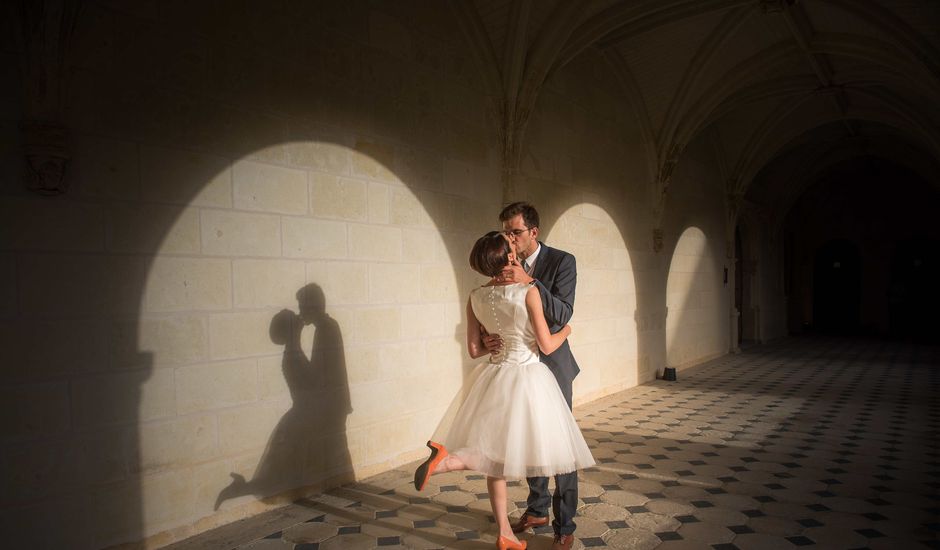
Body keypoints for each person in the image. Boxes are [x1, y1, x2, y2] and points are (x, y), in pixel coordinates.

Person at [413, 232, 594, 550]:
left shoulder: (475, 296)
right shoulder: (527, 291)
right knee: (548, 449)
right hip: (528, 377)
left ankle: (505, 533)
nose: (515, 249)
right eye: (511, 248)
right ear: (508, 258)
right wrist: (567, 329)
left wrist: (488, 343)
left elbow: (473, 349)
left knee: (494, 458)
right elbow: (547, 345)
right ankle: (449, 462)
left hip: (494, 376)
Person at [490, 202, 581, 550]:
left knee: (560, 445)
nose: (509, 239)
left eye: (515, 232)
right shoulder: (503, 262)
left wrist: (530, 281)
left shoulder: (562, 262)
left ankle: (565, 524)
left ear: (533, 232)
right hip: (518, 366)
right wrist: (488, 336)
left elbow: (561, 314)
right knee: (530, 439)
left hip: (552, 365)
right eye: (506, 232)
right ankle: (537, 509)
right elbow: (495, 311)